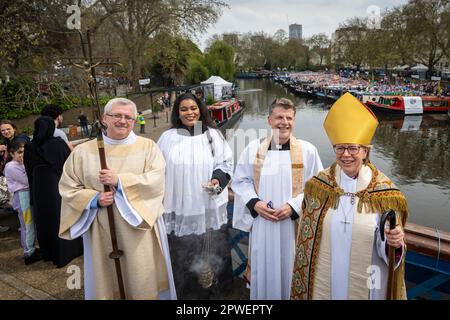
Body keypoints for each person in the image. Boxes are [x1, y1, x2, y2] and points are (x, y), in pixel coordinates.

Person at [290, 93, 408, 300]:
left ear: (365, 151)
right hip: (325, 279)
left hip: (366, 280)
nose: (346, 154)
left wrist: (395, 244)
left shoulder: (385, 194)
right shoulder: (318, 187)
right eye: (340, 148)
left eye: (353, 148)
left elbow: (391, 247)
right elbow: (306, 241)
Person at [58, 97, 176, 300]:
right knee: (107, 279)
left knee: (141, 278)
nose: (123, 120)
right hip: (102, 227)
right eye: (117, 116)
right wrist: (94, 199)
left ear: (135, 120)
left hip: (139, 230)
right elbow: (68, 187)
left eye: (129, 117)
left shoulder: (148, 147)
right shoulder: (83, 153)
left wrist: (119, 181)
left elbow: (156, 182)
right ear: (105, 118)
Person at [232, 98, 323, 300]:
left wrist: (293, 206)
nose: (284, 122)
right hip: (263, 225)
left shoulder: (308, 151)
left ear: (295, 121)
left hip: (293, 227)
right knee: (264, 273)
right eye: (279, 117)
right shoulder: (253, 149)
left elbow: (318, 189)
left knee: (290, 272)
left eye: (289, 118)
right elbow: (240, 181)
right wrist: (254, 203)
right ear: (269, 120)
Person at [157, 92, 234, 299]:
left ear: (200, 110)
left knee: (211, 254)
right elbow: (156, 170)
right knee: (183, 256)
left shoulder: (211, 135)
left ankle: (216, 293)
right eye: (184, 109)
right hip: (179, 208)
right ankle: (186, 294)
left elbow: (225, 164)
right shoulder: (167, 138)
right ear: (177, 113)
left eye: (193, 108)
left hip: (206, 206)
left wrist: (217, 180)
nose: (189, 112)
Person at [23, 116, 82, 268]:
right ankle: (68, 250)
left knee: (46, 219)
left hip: (39, 188)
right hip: (59, 184)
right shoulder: (58, 144)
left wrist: (32, 194)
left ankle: (49, 252)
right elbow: (70, 165)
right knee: (62, 215)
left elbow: (28, 171)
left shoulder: (29, 147)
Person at [4, 141, 42, 265]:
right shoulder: (11, 166)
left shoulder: (21, 163)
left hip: (26, 195)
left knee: (30, 224)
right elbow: (26, 180)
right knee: (27, 224)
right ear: (11, 153)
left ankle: (31, 248)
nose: (22, 154)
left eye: (24, 151)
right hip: (22, 196)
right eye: (19, 152)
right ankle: (28, 253)